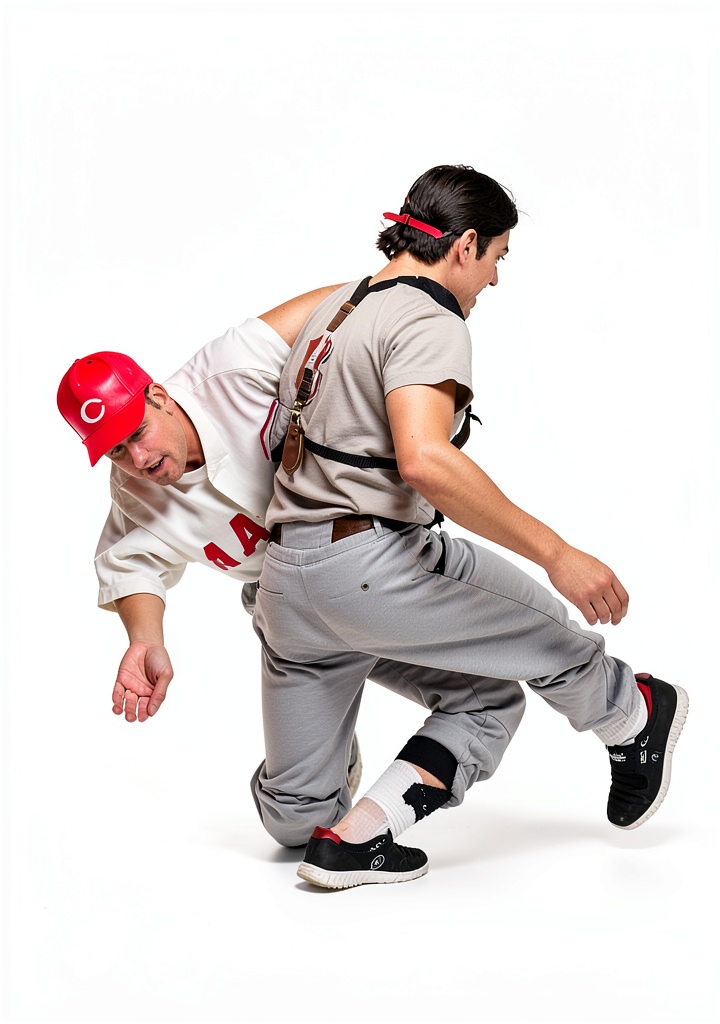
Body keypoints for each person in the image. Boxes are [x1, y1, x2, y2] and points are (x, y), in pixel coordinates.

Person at [251, 164, 689, 890]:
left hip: (286, 589)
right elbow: (425, 460)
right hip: (373, 568)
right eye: (497, 257)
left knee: (296, 818)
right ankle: (634, 715)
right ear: (465, 245)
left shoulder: (334, 307)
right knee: (544, 642)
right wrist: (557, 553)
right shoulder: (429, 319)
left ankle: (329, 824)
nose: (493, 278)